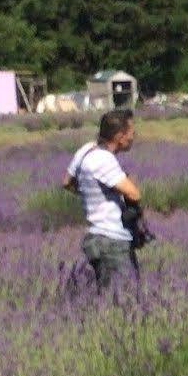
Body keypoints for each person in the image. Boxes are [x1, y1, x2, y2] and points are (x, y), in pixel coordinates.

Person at [65, 110, 143, 290]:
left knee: (110, 295)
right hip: (111, 239)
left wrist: (90, 192)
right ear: (119, 136)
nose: (133, 137)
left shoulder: (86, 150)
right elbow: (134, 194)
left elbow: (67, 182)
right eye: (131, 133)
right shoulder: (103, 160)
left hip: (97, 237)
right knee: (125, 296)